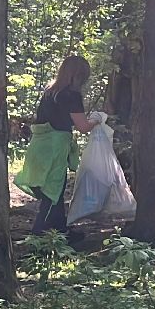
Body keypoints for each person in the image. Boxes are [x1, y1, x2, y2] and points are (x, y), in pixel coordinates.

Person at [14, 55, 106, 238]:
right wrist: (98, 120)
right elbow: (82, 127)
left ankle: (60, 231)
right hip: (54, 150)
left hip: (39, 147)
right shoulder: (71, 96)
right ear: (79, 77)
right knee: (52, 193)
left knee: (55, 190)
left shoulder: (50, 91)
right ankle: (39, 236)